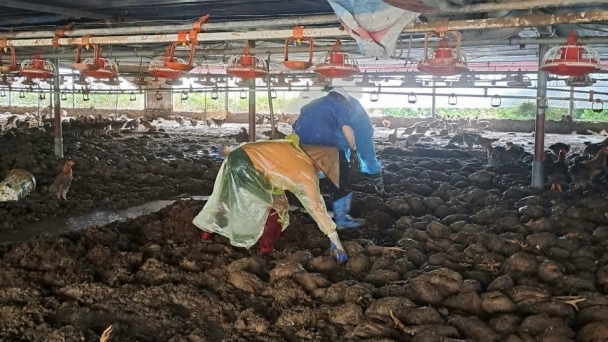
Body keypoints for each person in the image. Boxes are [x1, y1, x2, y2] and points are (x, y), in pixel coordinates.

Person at [192, 135, 349, 262]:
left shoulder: (292, 148)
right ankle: (266, 249)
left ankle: (206, 233)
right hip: (249, 167)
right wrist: (333, 236)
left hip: (236, 156)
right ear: (321, 166)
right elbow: (316, 206)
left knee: (226, 198)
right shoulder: (307, 172)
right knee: (276, 206)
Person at [292, 87, 365, 230]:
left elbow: (295, 128)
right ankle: (342, 218)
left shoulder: (311, 105)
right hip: (325, 145)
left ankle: (307, 208)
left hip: (300, 145)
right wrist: (354, 150)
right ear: (343, 99)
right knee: (343, 175)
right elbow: (346, 128)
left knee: (308, 176)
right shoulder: (340, 104)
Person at [336, 95, 387, 196]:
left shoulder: (347, 108)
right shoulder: (343, 105)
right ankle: (343, 187)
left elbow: (346, 128)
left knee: (369, 159)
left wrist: (353, 151)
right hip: (344, 136)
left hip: (359, 135)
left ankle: (380, 189)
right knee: (344, 161)